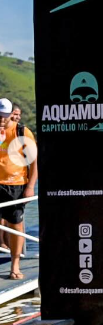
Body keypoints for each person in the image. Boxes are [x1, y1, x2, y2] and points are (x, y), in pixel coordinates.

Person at [0, 98, 37, 280]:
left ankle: (14, 265)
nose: (1, 120)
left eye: (5, 116)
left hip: (15, 184)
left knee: (15, 224)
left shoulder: (22, 131)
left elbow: (35, 161)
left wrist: (30, 186)